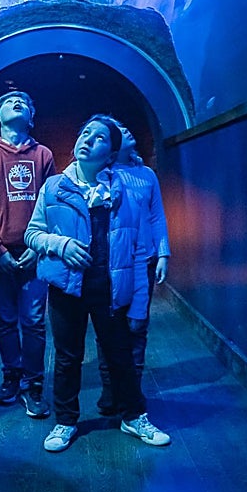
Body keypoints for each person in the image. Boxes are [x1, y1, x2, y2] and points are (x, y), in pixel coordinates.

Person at [25, 115, 171, 453]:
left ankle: (133, 416)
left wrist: (137, 301)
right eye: (85, 132)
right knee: (67, 357)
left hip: (109, 288)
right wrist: (60, 245)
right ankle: (65, 421)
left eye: (100, 138)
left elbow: (137, 249)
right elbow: (32, 234)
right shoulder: (54, 187)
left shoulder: (123, 192)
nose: (88, 140)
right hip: (65, 289)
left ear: (110, 154)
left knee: (119, 354)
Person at [0, 90, 55, 417]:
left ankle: (33, 384)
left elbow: (50, 203)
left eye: (24, 102)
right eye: (7, 101)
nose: (16, 101)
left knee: (33, 321)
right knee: (5, 319)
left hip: (35, 253)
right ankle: (11, 376)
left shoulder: (43, 154)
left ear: (31, 118)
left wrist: (39, 244)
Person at [96, 120, 171, 416]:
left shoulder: (147, 174)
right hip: (112, 263)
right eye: (117, 130)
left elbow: (157, 216)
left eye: (125, 127)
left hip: (145, 261)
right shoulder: (104, 173)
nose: (125, 129)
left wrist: (163, 253)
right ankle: (109, 390)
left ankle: (132, 390)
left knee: (138, 327)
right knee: (108, 329)